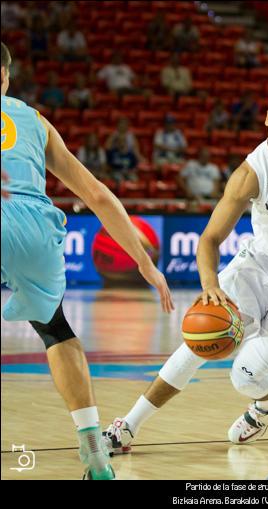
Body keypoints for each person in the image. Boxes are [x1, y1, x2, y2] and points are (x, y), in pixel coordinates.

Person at [102, 79, 268, 455]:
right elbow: (208, 239)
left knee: (244, 377)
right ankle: (127, 427)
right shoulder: (251, 172)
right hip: (258, 270)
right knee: (197, 341)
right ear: (266, 119)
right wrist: (210, 284)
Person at [0, 42, 174, 480]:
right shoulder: (34, 120)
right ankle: (93, 448)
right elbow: (97, 194)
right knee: (57, 332)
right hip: (34, 225)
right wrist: (143, 261)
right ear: (5, 76)